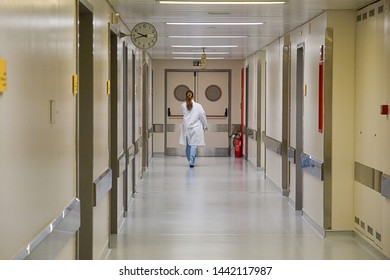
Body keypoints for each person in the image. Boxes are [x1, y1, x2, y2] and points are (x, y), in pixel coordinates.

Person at [179, 90, 208, 167]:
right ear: (193, 96)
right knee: (194, 145)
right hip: (196, 128)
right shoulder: (198, 106)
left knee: (188, 145)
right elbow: (202, 116)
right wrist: (205, 126)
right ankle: (192, 162)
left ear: (186, 96)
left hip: (187, 128)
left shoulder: (183, 105)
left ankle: (189, 160)